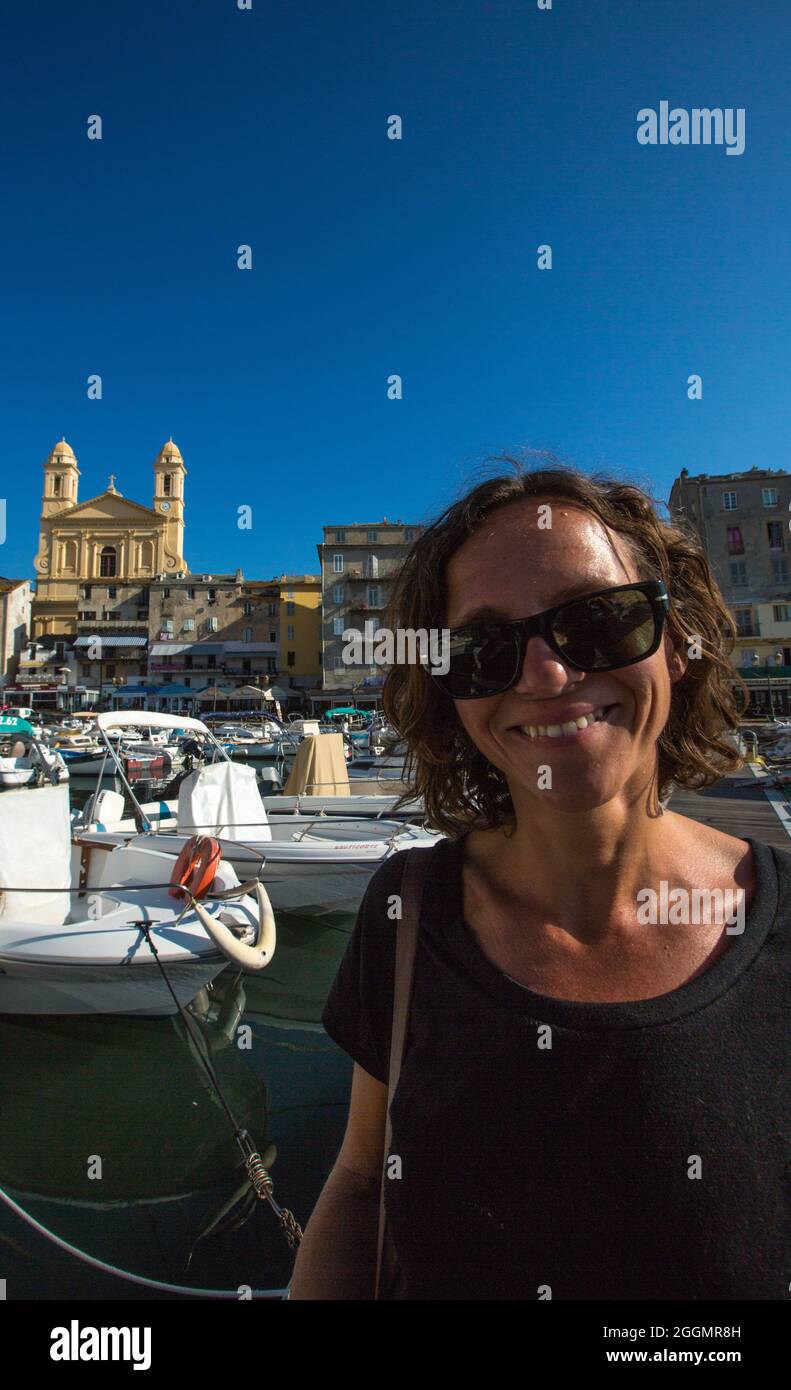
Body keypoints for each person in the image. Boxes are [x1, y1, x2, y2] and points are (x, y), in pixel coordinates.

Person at [289, 462, 791, 1300]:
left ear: (677, 641)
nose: (547, 676)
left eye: (597, 622)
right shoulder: (405, 914)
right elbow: (360, 1181)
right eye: (483, 649)